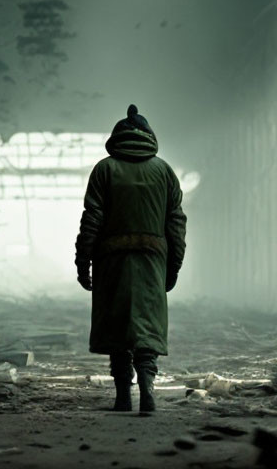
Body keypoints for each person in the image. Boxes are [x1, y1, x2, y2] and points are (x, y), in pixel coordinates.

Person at [74, 104, 187, 413]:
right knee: (147, 328)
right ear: (149, 136)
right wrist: (173, 265)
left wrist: (83, 262)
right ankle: (148, 390)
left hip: (112, 264)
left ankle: (123, 395)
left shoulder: (104, 169)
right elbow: (176, 224)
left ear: (117, 138)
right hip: (152, 263)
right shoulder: (164, 171)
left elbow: (91, 221)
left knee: (119, 328)